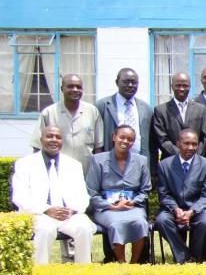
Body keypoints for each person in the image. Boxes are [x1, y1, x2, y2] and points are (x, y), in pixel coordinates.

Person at [12, 125, 96, 264]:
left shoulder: (73, 165)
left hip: (67, 215)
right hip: (39, 214)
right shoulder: (25, 164)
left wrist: (72, 210)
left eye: (58, 137)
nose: (54, 140)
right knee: (46, 229)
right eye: (49, 136)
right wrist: (47, 209)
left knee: (84, 228)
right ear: (41, 140)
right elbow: (20, 196)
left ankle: (83, 274)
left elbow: (83, 196)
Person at [86, 125, 151, 264]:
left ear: (133, 142)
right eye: (122, 137)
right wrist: (111, 206)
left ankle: (134, 263)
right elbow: (92, 192)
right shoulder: (98, 160)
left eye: (130, 139)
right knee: (116, 224)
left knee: (140, 222)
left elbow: (145, 190)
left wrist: (133, 202)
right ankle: (121, 262)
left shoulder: (141, 161)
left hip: (132, 206)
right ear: (114, 137)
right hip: (107, 208)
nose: (125, 141)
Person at [155, 129, 206, 263]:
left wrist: (192, 211)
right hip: (173, 208)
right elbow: (163, 193)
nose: (191, 147)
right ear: (178, 143)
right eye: (186, 143)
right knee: (162, 220)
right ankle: (186, 258)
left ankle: (197, 257)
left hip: (199, 208)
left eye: (194, 144)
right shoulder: (165, 165)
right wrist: (176, 210)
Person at [30, 73, 104, 173]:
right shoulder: (49, 113)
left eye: (78, 87)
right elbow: (37, 147)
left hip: (86, 172)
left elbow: (98, 148)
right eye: (70, 86)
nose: (75, 89)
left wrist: (96, 173)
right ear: (62, 88)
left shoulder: (92, 112)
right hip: (57, 173)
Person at [97, 68, 152, 162]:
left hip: (139, 162)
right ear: (117, 82)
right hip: (111, 163)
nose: (130, 85)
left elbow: (152, 142)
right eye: (126, 82)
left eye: (134, 82)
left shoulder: (146, 108)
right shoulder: (103, 105)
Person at [151, 72, 206, 161]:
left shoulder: (202, 109)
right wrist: (181, 155)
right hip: (171, 162)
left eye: (185, 85)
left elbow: (205, 137)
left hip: (196, 161)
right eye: (178, 85)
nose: (181, 89)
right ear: (172, 87)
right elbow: (161, 138)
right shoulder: (161, 110)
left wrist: (193, 155)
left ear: (190, 87)